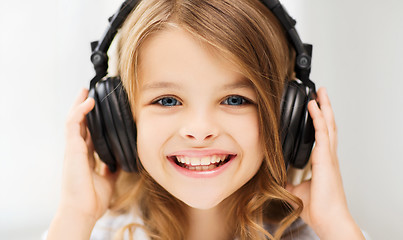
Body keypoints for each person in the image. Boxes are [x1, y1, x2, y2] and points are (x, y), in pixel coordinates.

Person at [46, 0, 366, 239]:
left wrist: (334, 223)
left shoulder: (320, 233)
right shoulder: (97, 232)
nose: (200, 131)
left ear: (288, 119)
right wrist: (75, 216)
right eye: (167, 100)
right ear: (120, 120)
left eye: (235, 100)